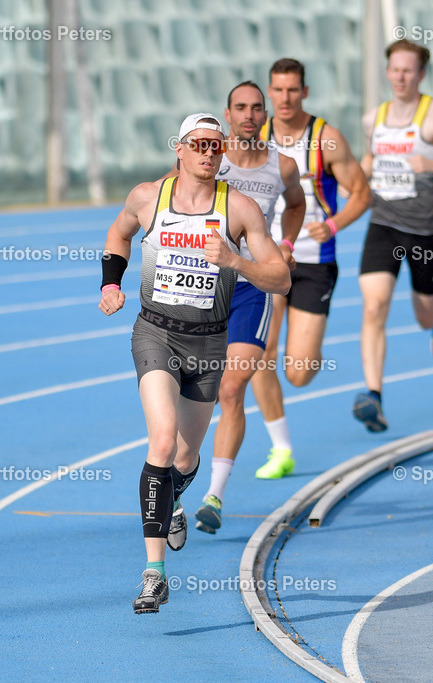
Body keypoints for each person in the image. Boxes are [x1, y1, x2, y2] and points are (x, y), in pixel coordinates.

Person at [99, 113, 290, 614]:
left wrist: (236, 262)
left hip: (209, 344)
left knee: (183, 460)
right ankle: (153, 573)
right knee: (161, 441)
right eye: (198, 144)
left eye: (215, 144)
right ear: (179, 149)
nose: (207, 152)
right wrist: (110, 284)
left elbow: (280, 278)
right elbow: (117, 237)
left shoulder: (240, 208)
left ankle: (175, 497)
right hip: (155, 332)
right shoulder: (148, 197)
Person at [162, 82, 305, 535]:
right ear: (226, 116)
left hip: (249, 290)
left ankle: (214, 496)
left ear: (265, 114)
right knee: (186, 398)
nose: (248, 114)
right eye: (240, 108)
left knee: (232, 387)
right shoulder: (206, 160)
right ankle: (177, 484)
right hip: (203, 292)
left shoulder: (281, 166)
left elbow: (297, 205)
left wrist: (284, 244)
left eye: (256, 108)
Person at [353, 39, 433, 432]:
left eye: (408, 70)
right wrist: (357, 182)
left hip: (427, 230)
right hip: (384, 222)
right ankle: (372, 396)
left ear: (421, 74)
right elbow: (369, 159)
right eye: (394, 69)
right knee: (374, 305)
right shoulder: (372, 120)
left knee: (423, 313)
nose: (399, 77)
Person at [248, 57, 371, 478]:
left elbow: (361, 192)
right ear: (269, 92)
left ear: (305, 92)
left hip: (314, 262)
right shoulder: (254, 137)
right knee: (259, 355)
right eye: (277, 91)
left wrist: (334, 224)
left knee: (298, 373)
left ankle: (309, 343)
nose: (284, 99)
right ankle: (281, 449)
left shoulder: (326, 139)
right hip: (267, 260)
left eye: (292, 90)